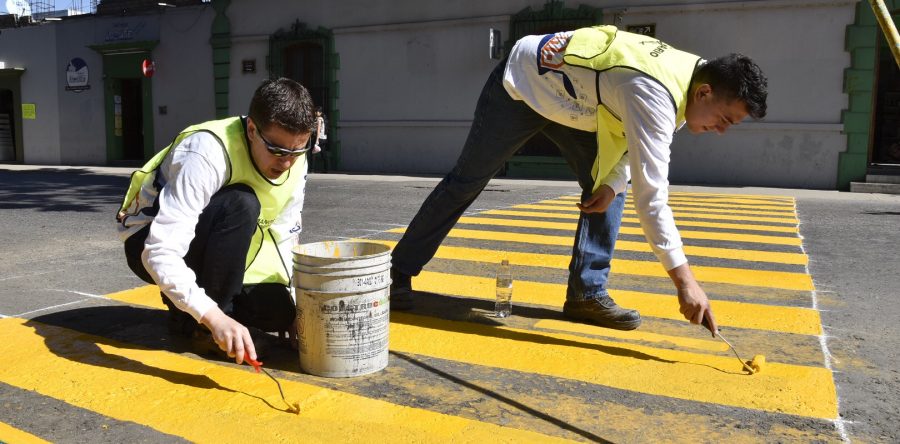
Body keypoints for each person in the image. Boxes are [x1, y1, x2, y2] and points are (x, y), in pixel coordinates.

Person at [389, 26, 768, 335]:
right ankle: (397, 273)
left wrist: (611, 184)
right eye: (725, 120)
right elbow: (652, 198)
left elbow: (627, 153)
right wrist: (686, 281)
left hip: (578, 104)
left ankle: (587, 294)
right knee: (467, 181)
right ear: (705, 92)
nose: (720, 131)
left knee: (611, 188)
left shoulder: (691, 80)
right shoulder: (656, 92)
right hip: (523, 86)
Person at [116, 78, 317, 364]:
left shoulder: (294, 153)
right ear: (251, 130)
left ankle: (189, 310)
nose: (287, 162)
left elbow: (284, 233)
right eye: (277, 151)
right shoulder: (205, 152)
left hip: (225, 243)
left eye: (298, 151)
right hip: (147, 240)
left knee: (278, 312)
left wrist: (295, 306)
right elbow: (159, 252)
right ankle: (202, 328)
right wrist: (215, 318)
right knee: (241, 203)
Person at [310, 106, 330, 172]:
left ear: (320, 112)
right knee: (323, 153)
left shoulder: (319, 119)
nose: (315, 113)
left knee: (313, 153)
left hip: (319, 138)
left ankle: (312, 169)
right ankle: (326, 169)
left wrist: (317, 140)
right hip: (324, 138)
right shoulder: (324, 118)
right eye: (315, 111)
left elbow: (318, 130)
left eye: (317, 111)